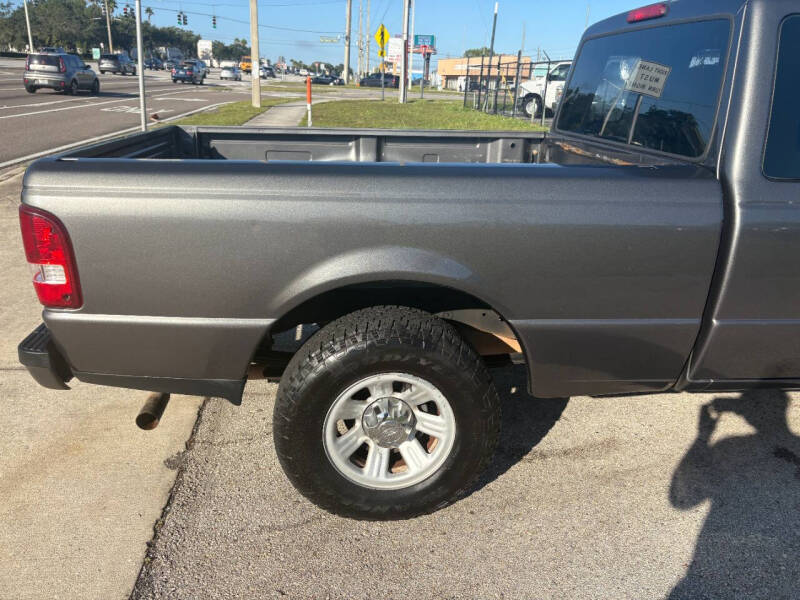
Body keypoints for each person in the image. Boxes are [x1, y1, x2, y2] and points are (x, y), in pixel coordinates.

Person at [668, 390, 800, 599]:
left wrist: (703, 436)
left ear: (747, 415)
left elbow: (682, 500)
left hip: (718, 570)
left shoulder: (731, 447)